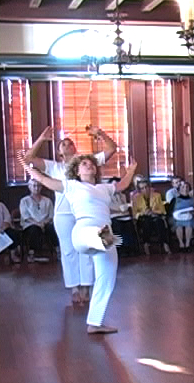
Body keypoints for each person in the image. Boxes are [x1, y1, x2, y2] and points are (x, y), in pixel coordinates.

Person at [20, 153, 138, 334]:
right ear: (76, 170)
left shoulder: (103, 188)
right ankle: (108, 242)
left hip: (104, 234)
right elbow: (44, 180)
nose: (89, 165)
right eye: (84, 164)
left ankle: (95, 323)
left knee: (107, 278)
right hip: (83, 233)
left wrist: (131, 170)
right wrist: (28, 168)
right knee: (104, 238)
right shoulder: (72, 186)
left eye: (91, 164)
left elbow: (122, 185)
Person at [24, 125, 117, 304]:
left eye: (70, 143)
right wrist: (42, 139)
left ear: (75, 148)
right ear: (59, 151)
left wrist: (100, 134)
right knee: (68, 251)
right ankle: (75, 287)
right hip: (64, 214)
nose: (67, 145)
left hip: (85, 214)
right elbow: (28, 158)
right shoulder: (54, 167)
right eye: (63, 144)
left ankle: (86, 286)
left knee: (88, 249)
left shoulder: (86, 163)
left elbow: (111, 149)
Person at [19, 178, 57, 262]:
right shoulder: (24, 201)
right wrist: (37, 224)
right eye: (34, 186)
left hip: (45, 223)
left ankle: (57, 250)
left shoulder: (47, 201)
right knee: (34, 229)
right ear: (29, 187)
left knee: (52, 228)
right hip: (31, 224)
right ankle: (32, 254)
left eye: (39, 186)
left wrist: (43, 223)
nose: (36, 188)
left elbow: (51, 216)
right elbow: (26, 217)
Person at [132, 180, 171, 255]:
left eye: (146, 187)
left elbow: (163, 210)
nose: (145, 189)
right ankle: (146, 244)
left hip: (155, 216)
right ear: (139, 190)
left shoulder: (157, 195)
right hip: (143, 218)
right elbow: (134, 213)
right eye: (142, 188)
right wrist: (143, 213)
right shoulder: (136, 198)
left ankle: (164, 243)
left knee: (159, 222)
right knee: (147, 222)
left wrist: (154, 212)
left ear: (150, 187)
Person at [107, 177, 139, 257]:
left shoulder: (123, 195)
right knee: (118, 226)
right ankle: (121, 249)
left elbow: (125, 207)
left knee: (129, 226)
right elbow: (109, 209)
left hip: (125, 215)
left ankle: (131, 248)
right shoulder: (107, 196)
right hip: (114, 216)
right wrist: (120, 210)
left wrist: (125, 208)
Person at [170, 181, 194, 252]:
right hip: (177, 218)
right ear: (179, 189)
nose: (185, 189)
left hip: (190, 217)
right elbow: (170, 211)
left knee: (189, 224)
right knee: (178, 225)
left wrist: (193, 213)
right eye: (183, 187)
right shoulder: (175, 200)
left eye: (187, 187)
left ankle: (187, 244)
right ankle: (181, 244)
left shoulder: (193, 200)